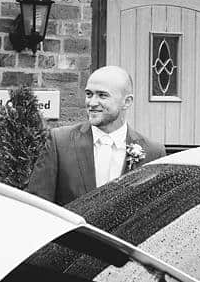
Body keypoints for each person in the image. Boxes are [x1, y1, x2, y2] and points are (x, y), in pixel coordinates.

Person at [23, 65, 166, 204]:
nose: (92, 103)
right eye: (89, 94)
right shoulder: (60, 142)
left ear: (127, 102)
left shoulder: (153, 152)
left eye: (102, 95)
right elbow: (38, 206)